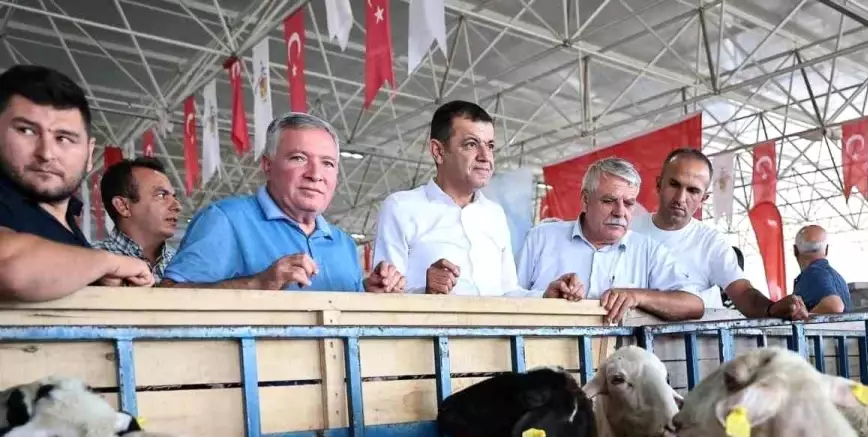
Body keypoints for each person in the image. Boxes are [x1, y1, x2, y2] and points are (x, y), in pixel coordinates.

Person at [162, 112, 402, 293]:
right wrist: (258, 284)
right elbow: (166, 298)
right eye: (299, 158)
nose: (315, 174)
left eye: (327, 163)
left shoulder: (343, 244)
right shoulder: (226, 220)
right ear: (267, 165)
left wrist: (369, 293)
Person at [0, 64, 152, 300]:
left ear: (89, 154)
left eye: (63, 138)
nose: (46, 153)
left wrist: (95, 274)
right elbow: (9, 267)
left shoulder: (69, 223)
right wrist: (107, 263)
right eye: (27, 131)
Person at [517, 156, 704, 323]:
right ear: (585, 200)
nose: (620, 212)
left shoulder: (647, 251)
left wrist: (638, 296)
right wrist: (544, 298)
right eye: (608, 201)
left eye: (629, 203)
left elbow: (694, 304)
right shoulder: (541, 238)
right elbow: (504, 294)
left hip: (619, 359)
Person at [372, 100, 530, 296]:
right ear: (438, 151)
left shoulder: (495, 214)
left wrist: (547, 297)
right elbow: (385, 295)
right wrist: (426, 292)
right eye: (471, 144)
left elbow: (509, 293)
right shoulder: (401, 208)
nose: (485, 156)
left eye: (490, 146)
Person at [631, 148, 805, 320]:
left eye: (693, 191)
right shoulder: (628, 231)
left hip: (695, 345)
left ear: (703, 199)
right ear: (659, 184)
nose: (680, 198)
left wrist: (772, 308)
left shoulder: (711, 243)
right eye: (674, 184)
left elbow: (743, 292)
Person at [96, 156, 180, 282]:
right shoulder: (92, 264)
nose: (177, 206)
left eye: (174, 196)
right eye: (161, 195)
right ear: (123, 206)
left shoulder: (181, 266)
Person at [791, 225, 850, 314]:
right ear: (826, 250)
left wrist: (802, 321)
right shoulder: (837, 277)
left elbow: (835, 306)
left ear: (795, 250)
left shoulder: (812, 275)